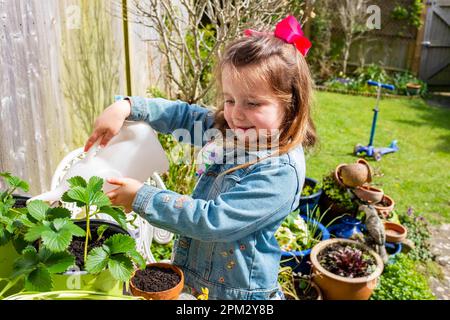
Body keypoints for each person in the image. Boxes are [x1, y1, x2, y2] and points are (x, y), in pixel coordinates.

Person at [85, 15, 316, 300]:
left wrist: (142, 197)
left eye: (253, 103)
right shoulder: (234, 131)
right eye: (230, 99)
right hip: (195, 281)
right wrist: (128, 106)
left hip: (236, 296)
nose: (236, 113)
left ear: (291, 104)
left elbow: (212, 221)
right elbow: (185, 116)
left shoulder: (279, 171)